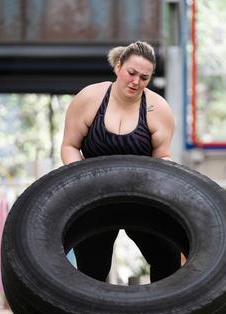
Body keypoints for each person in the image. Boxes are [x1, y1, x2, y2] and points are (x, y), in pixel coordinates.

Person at [61, 41, 180, 283]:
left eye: (144, 77)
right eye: (132, 73)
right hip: (95, 197)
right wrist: (82, 182)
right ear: (118, 67)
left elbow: (162, 157)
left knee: (167, 259)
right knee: (92, 269)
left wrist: (166, 169)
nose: (136, 82)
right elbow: (70, 146)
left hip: (142, 196)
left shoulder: (159, 110)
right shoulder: (89, 98)